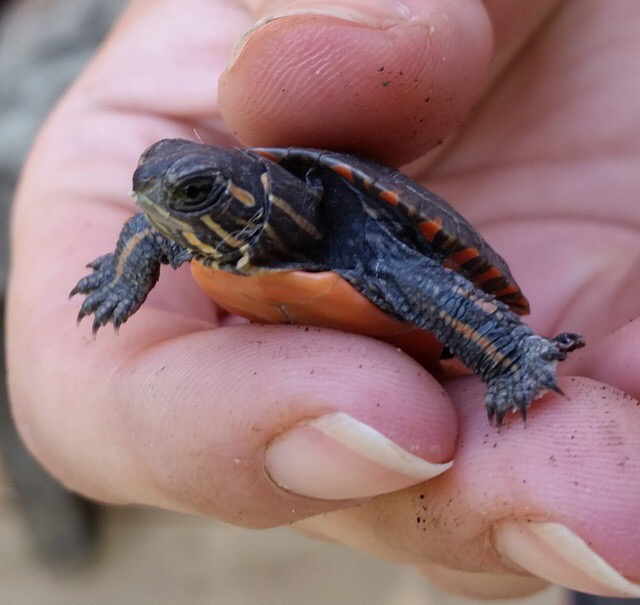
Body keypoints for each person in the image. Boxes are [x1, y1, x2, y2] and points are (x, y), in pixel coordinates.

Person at [7, 0, 640, 601]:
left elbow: (431, 282)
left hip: (387, 263)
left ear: (256, 194)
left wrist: (507, 357)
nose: (154, 205)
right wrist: (122, 279)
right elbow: (151, 228)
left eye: (196, 191)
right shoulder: (180, 225)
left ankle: (509, 353)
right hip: (284, 289)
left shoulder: (342, 216)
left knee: (413, 287)